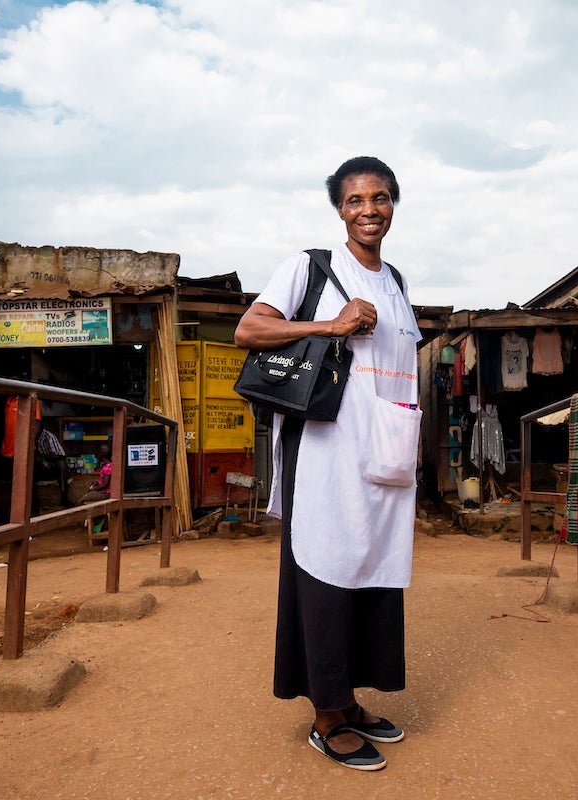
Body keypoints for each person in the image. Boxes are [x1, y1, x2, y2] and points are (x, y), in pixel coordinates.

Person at [233, 156, 420, 771]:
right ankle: (324, 715)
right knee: (324, 567)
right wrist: (333, 323)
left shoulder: (395, 280)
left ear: (394, 204)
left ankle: (350, 701)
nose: (370, 210)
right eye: (356, 200)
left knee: (373, 569)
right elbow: (249, 330)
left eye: (381, 198)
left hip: (384, 452)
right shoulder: (310, 267)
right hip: (323, 450)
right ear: (339, 209)